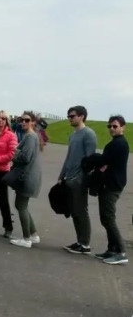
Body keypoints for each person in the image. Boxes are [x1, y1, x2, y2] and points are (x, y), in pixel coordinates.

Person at [85, 114, 129, 264]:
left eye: (115, 126)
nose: (111, 128)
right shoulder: (115, 143)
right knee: (105, 218)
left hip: (112, 185)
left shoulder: (119, 144)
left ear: (123, 127)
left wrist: (94, 159)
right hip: (109, 184)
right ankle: (111, 249)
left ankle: (121, 252)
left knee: (108, 218)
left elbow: (104, 161)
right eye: (109, 126)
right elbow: (104, 162)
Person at [59, 105, 98, 254]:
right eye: (69, 116)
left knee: (81, 210)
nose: (70, 118)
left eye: (72, 116)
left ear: (81, 116)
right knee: (74, 211)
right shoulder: (73, 135)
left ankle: (85, 244)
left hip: (79, 180)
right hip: (69, 177)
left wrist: (83, 178)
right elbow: (69, 157)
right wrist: (61, 175)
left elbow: (90, 160)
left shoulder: (89, 134)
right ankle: (79, 241)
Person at [8, 112, 43, 248]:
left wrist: (14, 151)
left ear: (33, 122)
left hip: (27, 177)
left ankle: (26, 238)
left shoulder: (30, 137)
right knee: (21, 205)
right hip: (30, 176)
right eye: (21, 120)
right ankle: (33, 234)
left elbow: (25, 157)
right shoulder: (32, 136)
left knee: (20, 205)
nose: (23, 122)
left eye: (26, 120)